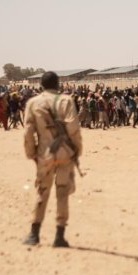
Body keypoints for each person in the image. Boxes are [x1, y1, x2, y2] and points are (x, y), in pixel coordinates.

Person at [22, 71, 83, 248]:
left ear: (41, 85)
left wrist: (31, 154)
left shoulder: (33, 103)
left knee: (42, 191)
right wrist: (76, 151)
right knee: (63, 193)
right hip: (65, 153)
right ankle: (59, 235)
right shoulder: (66, 101)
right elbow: (74, 128)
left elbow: (28, 133)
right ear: (58, 85)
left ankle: (34, 234)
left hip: (44, 154)